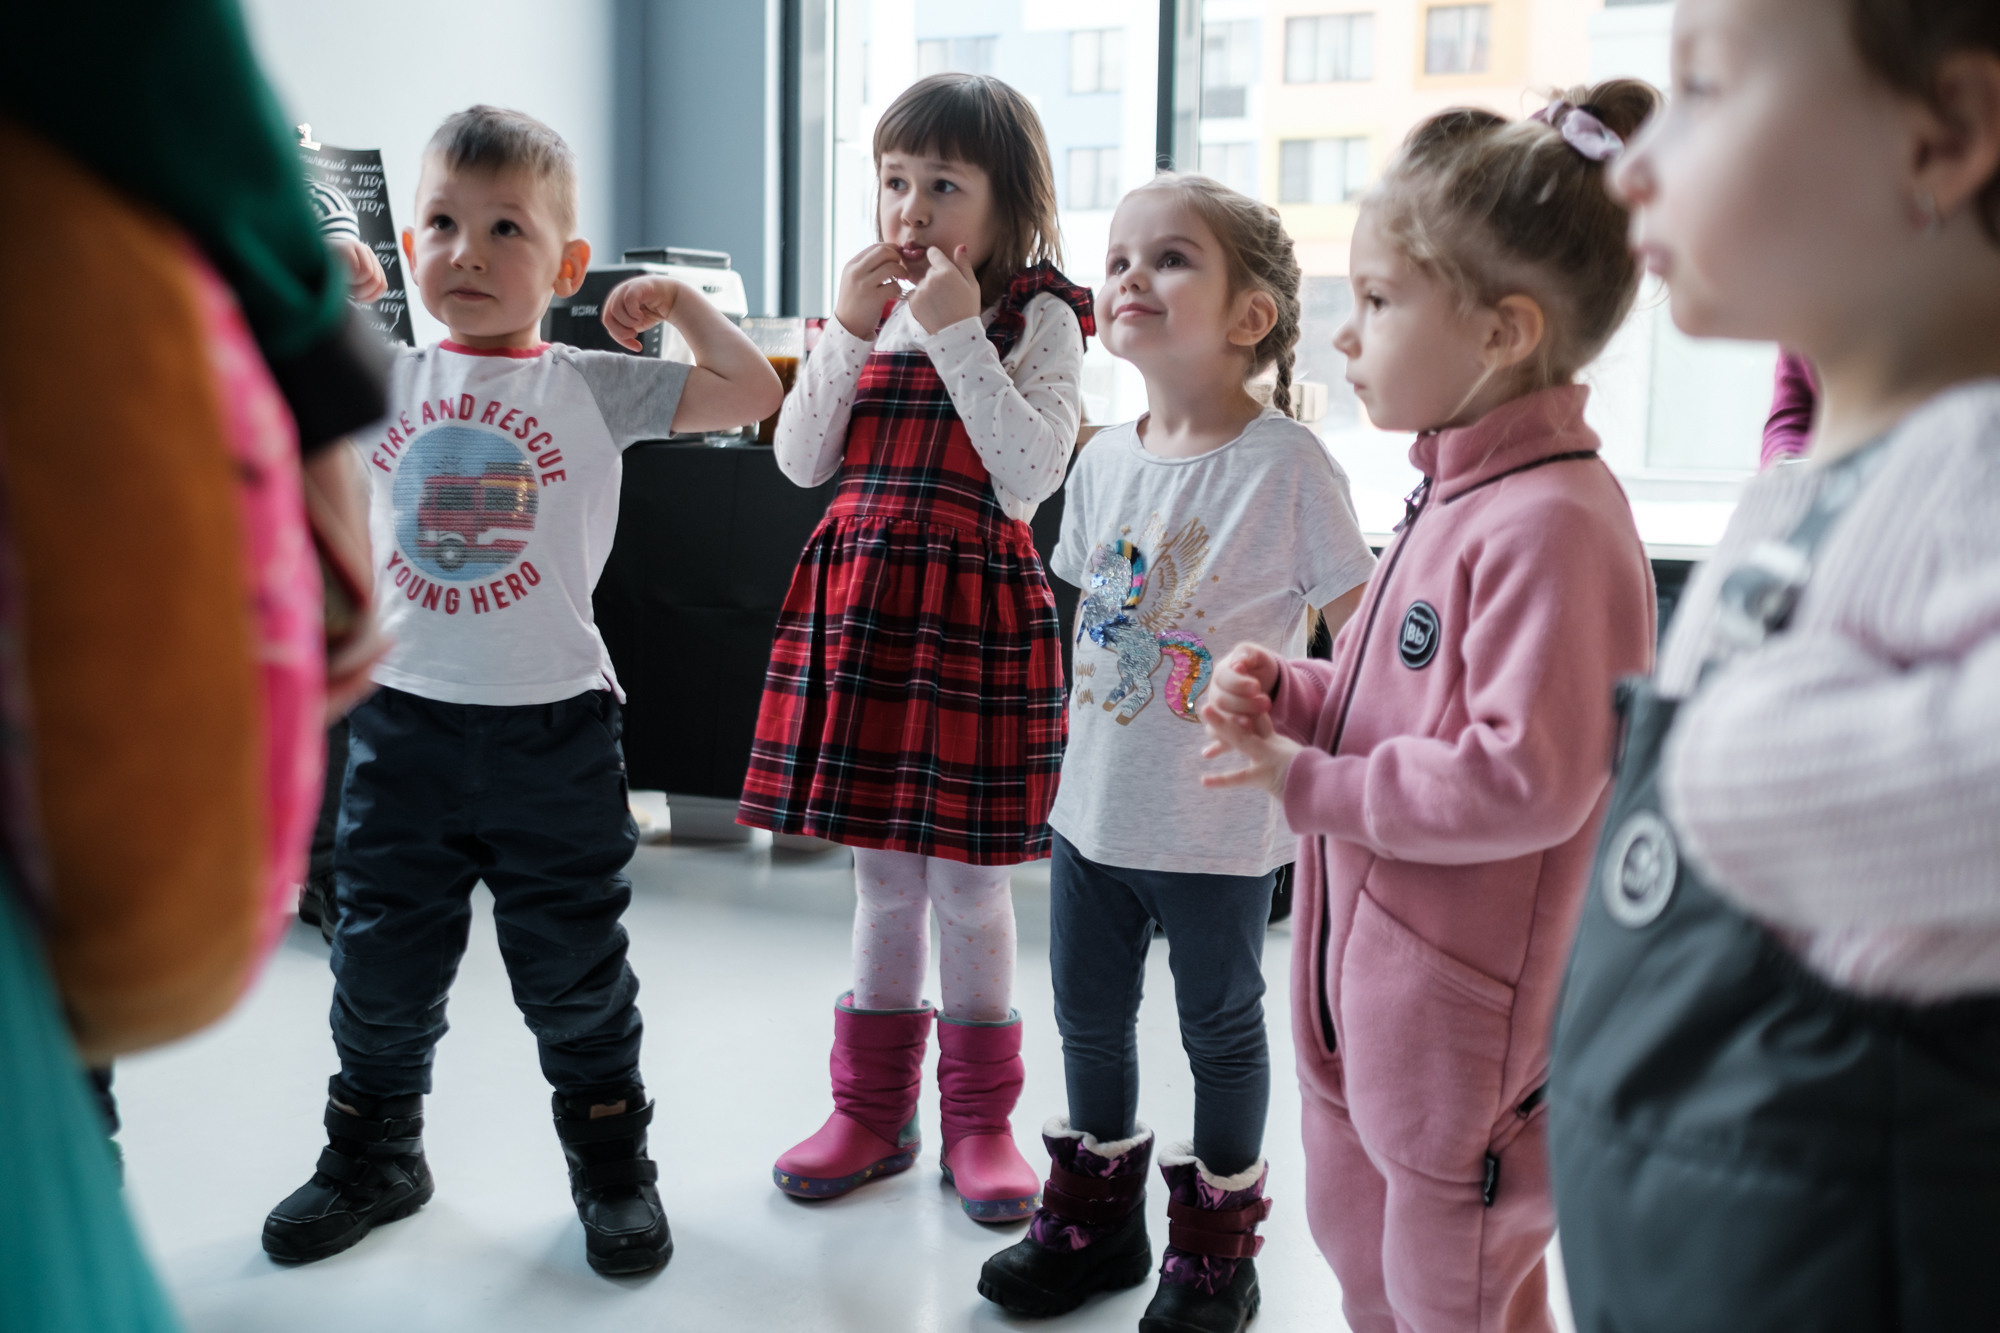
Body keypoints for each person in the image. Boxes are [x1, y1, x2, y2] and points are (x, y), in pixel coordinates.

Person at [259, 105, 781, 1278]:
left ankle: (610, 1168)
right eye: (441, 224)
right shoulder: (382, 372)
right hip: (399, 725)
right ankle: (374, 1152)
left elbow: (747, 394)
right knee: (379, 964)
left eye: (506, 228)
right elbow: (257, 365)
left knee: (573, 971)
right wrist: (325, 282)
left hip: (553, 732)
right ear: (410, 240)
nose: (470, 252)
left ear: (566, 264)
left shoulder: (594, 385)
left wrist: (682, 309)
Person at [1547, 1, 2000, 1327]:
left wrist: (1742, 760)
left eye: (1702, 87)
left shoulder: (1973, 459)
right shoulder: (1804, 484)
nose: (1635, 161)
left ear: (1948, 135)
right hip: (1705, 1227)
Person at [1200, 83, 1661, 1333]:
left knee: (1450, 1298)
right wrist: (1296, 693)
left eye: (1378, 301)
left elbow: (1526, 776)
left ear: (1502, 330)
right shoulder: (1452, 491)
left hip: (1462, 1058)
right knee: (1365, 1265)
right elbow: (1402, 704)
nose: (1343, 337)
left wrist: (1310, 785)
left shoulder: (1553, 522)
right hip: (1365, 1020)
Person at [976, 174, 1375, 1332]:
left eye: (1169, 259)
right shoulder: (1100, 461)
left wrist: (1342, 773)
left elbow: (1358, 648)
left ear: (1250, 315)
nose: (1128, 278)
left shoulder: (1288, 464)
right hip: (1090, 813)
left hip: (1212, 823)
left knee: (1219, 1025)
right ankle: (1096, 1226)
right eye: (1117, 259)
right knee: (1087, 1021)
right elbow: (1092, 627)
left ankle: (1213, 1250)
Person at [739, 73, 1091, 1222]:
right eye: (895, 180)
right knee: (882, 880)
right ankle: (871, 1111)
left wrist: (955, 339)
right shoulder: (865, 306)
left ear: (1008, 204)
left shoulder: (1038, 318)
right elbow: (799, 462)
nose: (911, 207)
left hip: (973, 614)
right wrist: (842, 331)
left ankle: (980, 1124)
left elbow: (1029, 477)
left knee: (971, 893)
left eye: (943, 184)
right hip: (869, 606)